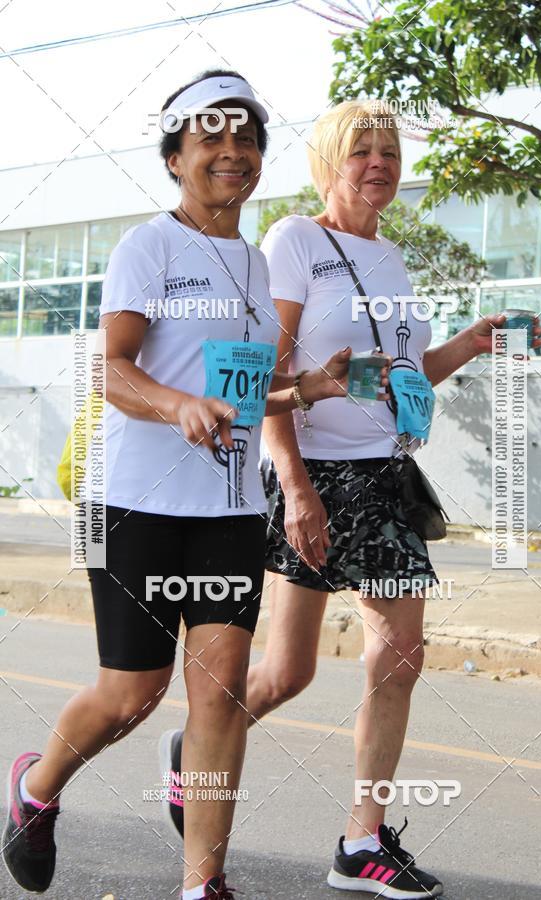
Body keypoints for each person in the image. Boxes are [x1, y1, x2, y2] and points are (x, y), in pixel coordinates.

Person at [159, 98, 541, 899]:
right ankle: (197, 752)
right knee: (288, 672)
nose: (379, 165)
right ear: (329, 162)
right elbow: (262, 378)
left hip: (384, 477)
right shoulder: (295, 242)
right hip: (313, 474)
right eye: (361, 151)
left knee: (399, 654)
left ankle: (360, 844)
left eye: (391, 154)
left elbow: (391, 382)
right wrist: (295, 486)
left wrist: (465, 347)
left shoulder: (393, 261)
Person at [1, 72, 357, 900]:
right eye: (212, 139)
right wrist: (174, 407)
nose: (234, 152)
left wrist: (304, 391)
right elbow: (112, 371)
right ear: (175, 158)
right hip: (132, 502)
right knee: (132, 694)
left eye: (247, 139)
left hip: (229, 508)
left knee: (221, 699)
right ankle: (34, 786)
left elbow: (234, 399)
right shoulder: (148, 247)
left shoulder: (253, 260)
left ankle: (203, 884)